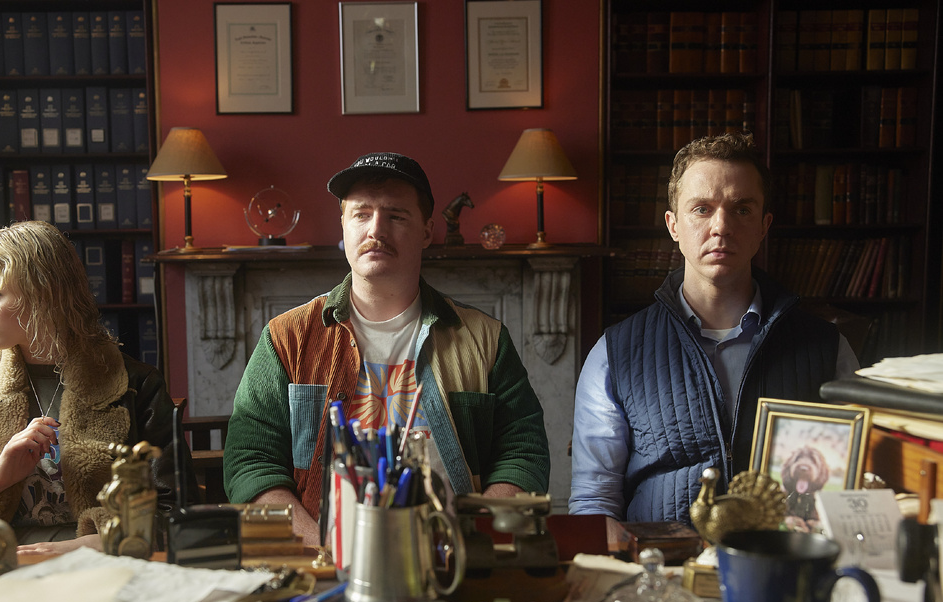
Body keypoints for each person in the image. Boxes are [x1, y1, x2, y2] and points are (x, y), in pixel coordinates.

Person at [224, 152, 550, 544]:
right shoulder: (286, 337)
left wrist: (470, 540)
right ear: (343, 226)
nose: (376, 229)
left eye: (396, 216)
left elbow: (524, 452)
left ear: (427, 231)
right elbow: (250, 462)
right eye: (361, 214)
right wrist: (321, 548)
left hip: (451, 557)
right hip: (319, 558)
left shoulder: (486, 338)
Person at [569, 133, 858, 524]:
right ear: (673, 225)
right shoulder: (614, 353)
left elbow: (850, 489)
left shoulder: (828, 348)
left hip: (780, 556)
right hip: (662, 557)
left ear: (764, 225)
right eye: (702, 209)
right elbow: (594, 499)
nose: (721, 226)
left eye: (742, 209)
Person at [0, 220, 187, 555]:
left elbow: (174, 511)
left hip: (101, 565)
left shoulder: (136, 385)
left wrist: (94, 544)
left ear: (45, 294)